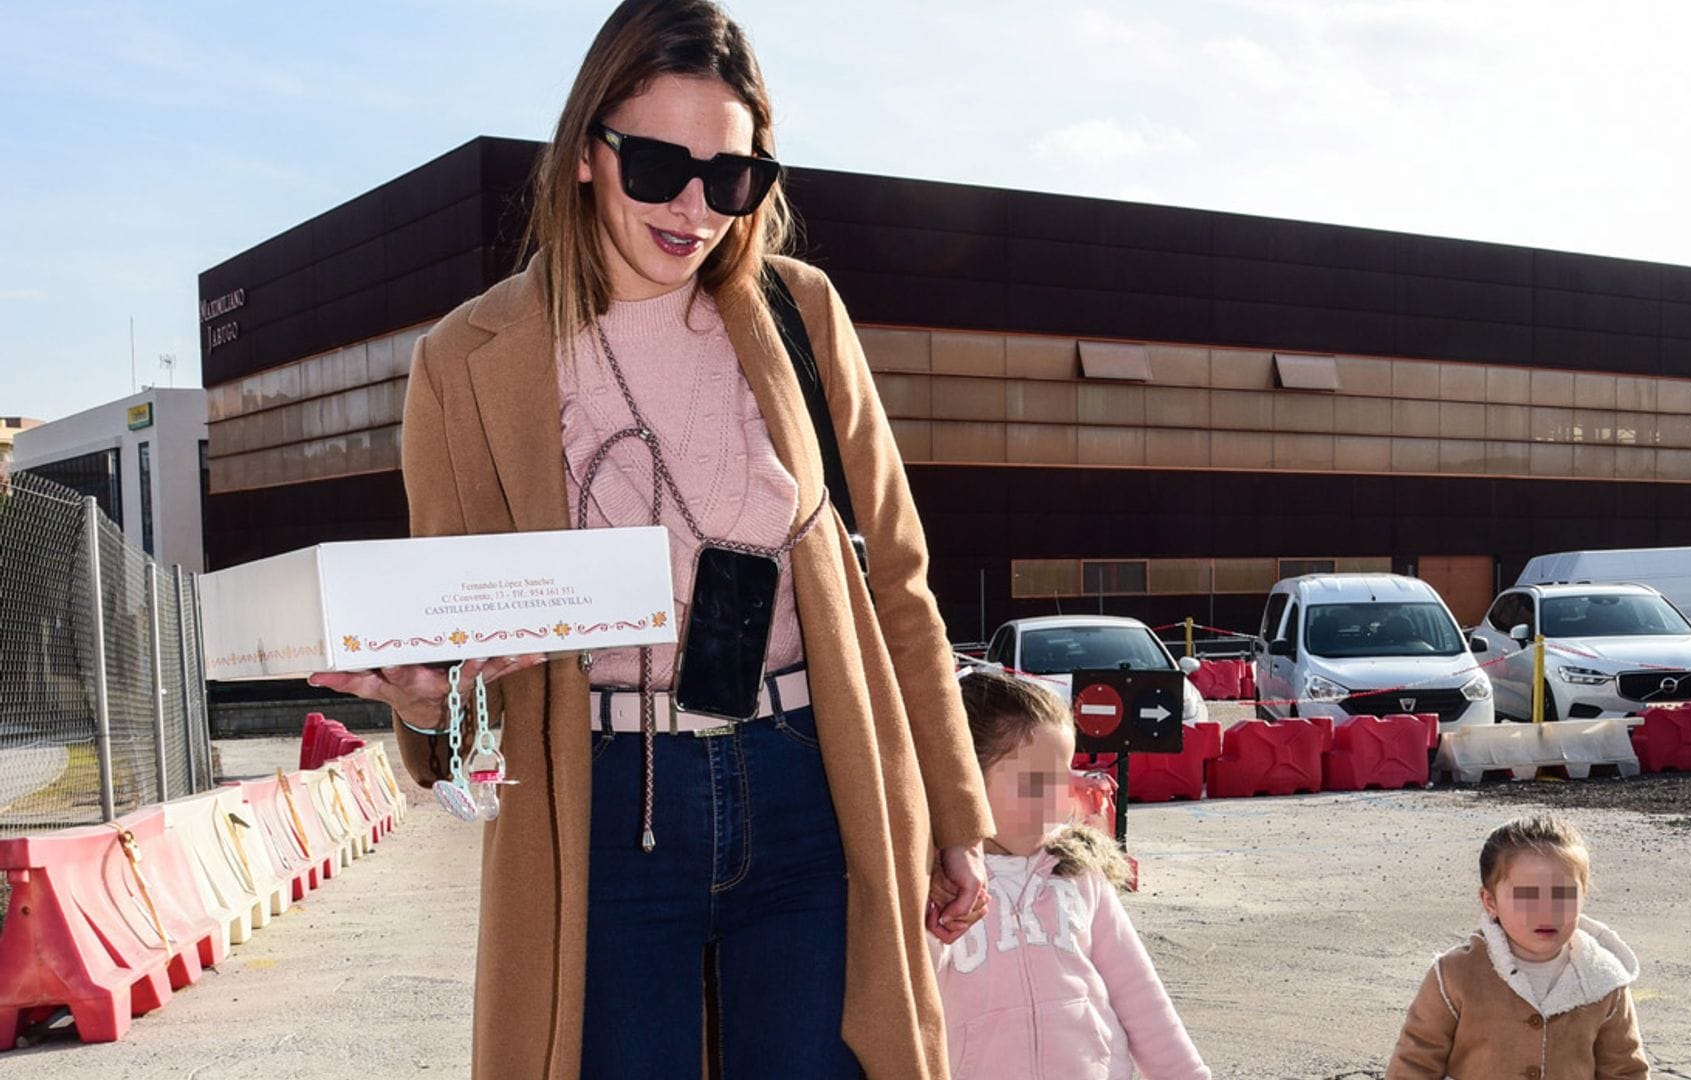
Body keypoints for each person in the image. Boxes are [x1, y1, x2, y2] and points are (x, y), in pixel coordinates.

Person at [308, 2, 994, 1076]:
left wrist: (954, 811)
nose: (693, 207)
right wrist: (430, 704)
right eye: (660, 166)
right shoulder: (467, 361)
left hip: (810, 781)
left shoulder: (801, 315)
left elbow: (898, 582)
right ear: (588, 152)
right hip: (602, 810)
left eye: (731, 178)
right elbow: (453, 652)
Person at [931, 667, 1211, 1079]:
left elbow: (1140, 996)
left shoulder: (1078, 874)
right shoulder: (936, 893)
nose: (1056, 802)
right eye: (1033, 782)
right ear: (961, 781)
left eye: (1060, 780)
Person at [1387, 813, 1649, 1080]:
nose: (1547, 911)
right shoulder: (1455, 975)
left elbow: (1625, 1070)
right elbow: (1414, 1063)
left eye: (1562, 895)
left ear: (1583, 896)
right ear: (1490, 902)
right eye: (1527, 896)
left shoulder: (1603, 979)